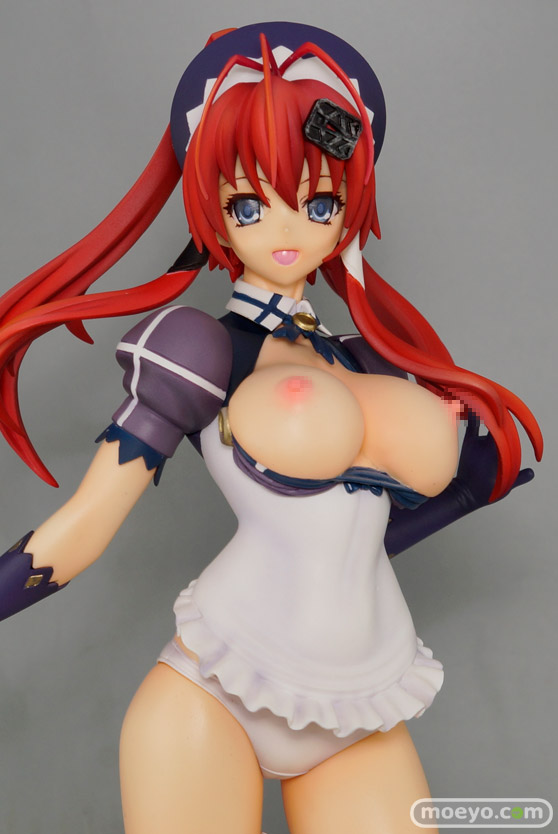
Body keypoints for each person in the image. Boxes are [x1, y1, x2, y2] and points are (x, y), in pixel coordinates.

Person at [0, 22, 542, 834]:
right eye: (249, 204)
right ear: (212, 210)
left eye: (319, 202)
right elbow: (87, 524)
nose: (287, 230)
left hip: (357, 707)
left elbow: (346, 542)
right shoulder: (199, 349)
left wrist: (464, 494)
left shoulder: (369, 357)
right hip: (213, 696)